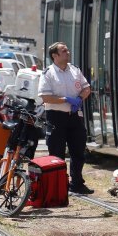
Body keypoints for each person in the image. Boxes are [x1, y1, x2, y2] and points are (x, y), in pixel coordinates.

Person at [38, 42, 93, 194]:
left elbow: (86, 88)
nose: (68, 52)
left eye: (67, 49)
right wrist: (66, 99)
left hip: (75, 115)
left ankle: (77, 183)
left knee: (78, 150)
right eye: (64, 51)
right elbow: (45, 97)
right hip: (56, 117)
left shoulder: (74, 70)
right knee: (57, 153)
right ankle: (58, 185)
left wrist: (80, 99)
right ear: (55, 55)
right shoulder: (48, 73)